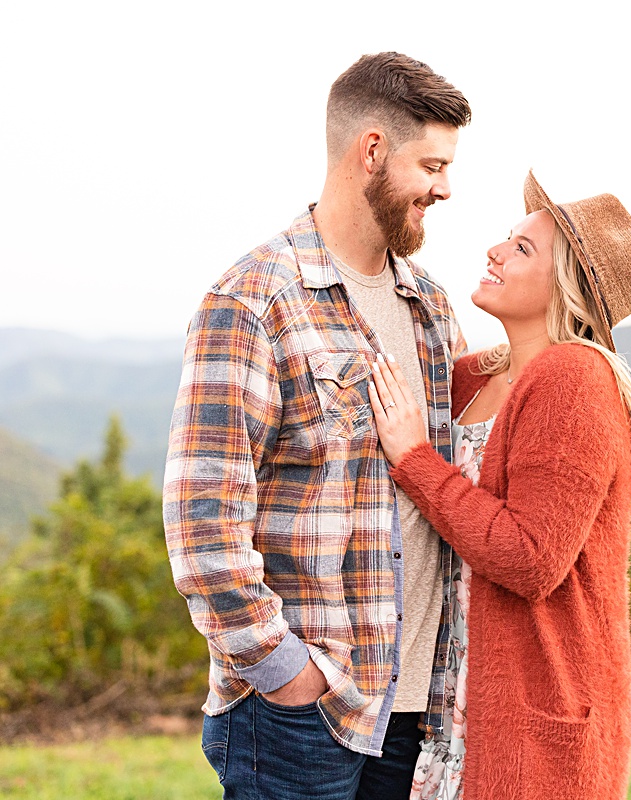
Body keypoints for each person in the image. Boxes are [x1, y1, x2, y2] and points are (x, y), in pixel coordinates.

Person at [162, 52, 471, 799]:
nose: (445, 188)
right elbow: (202, 518)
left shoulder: (429, 306)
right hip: (302, 712)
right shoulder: (255, 300)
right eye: (431, 165)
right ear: (372, 151)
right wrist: (285, 672)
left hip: (410, 712)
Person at [369, 171, 631, 800]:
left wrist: (417, 460)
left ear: (565, 289)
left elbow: (530, 558)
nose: (495, 251)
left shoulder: (575, 379)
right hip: (452, 711)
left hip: (532, 721)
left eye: (522, 248)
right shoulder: (478, 377)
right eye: (508, 237)